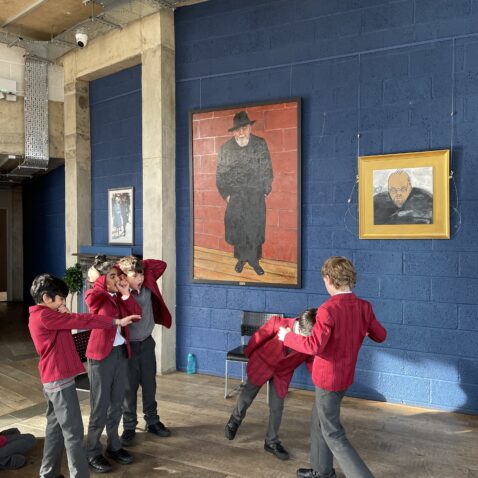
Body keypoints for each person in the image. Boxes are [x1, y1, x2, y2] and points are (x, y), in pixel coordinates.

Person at [278, 257, 387, 478]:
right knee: (318, 421)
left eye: (324, 280)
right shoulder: (364, 307)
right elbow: (381, 335)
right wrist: (358, 329)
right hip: (344, 377)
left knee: (333, 433)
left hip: (328, 380)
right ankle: (322, 471)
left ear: (329, 279)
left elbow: (313, 345)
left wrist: (287, 336)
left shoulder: (327, 309)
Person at [28, 273, 138, 478]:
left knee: (55, 429)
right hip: (59, 381)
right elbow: (83, 319)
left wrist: (65, 314)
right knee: (74, 433)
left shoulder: (43, 315)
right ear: (46, 299)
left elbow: (68, 325)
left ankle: (48, 473)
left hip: (53, 379)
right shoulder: (45, 316)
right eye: (60, 298)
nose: (62, 302)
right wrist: (115, 322)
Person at [225, 309, 316, 461]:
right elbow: (256, 339)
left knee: (277, 407)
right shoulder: (277, 323)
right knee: (247, 397)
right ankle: (234, 421)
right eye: (306, 338)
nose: (308, 342)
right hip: (262, 364)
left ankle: (271, 441)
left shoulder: (311, 338)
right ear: (300, 329)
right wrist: (251, 358)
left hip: (282, 374)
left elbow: (311, 360)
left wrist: (319, 380)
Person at [85, 256, 139, 473]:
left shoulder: (117, 297)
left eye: (118, 275)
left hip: (119, 353)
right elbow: (91, 302)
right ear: (102, 279)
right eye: (113, 276)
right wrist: (99, 279)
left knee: (116, 403)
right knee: (99, 406)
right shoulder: (95, 295)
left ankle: (114, 446)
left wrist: (126, 293)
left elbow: (136, 315)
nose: (118, 279)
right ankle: (93, 452)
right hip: (100, 356)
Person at [116, 256, 173, 446]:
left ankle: (153, 421)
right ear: (124, 276)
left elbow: (160, 265)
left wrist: (136, 266)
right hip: (128, 347)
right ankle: (130, 426)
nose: (139, 278)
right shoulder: (119, 292)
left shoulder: (148, 284)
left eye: (141, 274)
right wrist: (120, 273)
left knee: (149, 384)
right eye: (135, 275)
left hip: (147, 343)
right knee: (129, 388)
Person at [216, 110, 273, 276]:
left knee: (255, 227)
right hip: (236, 196)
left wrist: (264, 191)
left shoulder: (260, 144)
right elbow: (220, 174)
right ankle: (241, 259)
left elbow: (267, 168)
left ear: (250, 128)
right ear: (233, 131)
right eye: (238, 129)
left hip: (255, 195)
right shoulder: (225, 148)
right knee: (238, 228)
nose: (241, 133)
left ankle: (254, 261)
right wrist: (226, 195)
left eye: (245, 128)